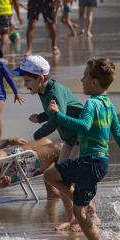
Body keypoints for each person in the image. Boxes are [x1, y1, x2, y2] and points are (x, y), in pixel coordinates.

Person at [43, 58, 120, 240]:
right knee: (66, 193)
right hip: (100, 163)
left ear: (94, 82)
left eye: (84, 76)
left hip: (89, 162)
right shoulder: (109, 105)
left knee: (53, 180)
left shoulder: (92, 104)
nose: (81, 80)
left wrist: (58, 115)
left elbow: (83, 126)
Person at [12, 55, 83, 191]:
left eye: (27, 81)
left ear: (40, 78)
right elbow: (54, 112)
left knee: (70, 177)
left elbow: (57, 118)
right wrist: (40, 117)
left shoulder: (53, 93)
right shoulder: (43, 90)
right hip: (70, 138)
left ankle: (84, 202)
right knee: (60, 177)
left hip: (81, 137)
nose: (25, 85)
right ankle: (73, 204)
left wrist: (38, 134)